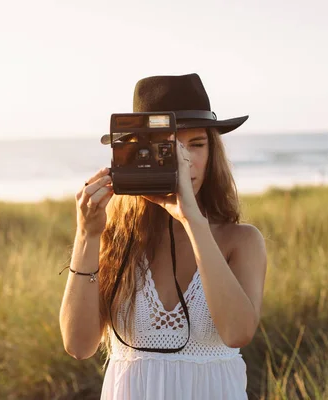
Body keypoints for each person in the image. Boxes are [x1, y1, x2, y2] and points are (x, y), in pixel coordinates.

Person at [59, 73, 267, 400]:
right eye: (166, 148)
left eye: (195, 145)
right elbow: (78, 345)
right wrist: (87, 235)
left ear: (213, 154)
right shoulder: (117, 241)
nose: (183, 160)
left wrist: (193, 221)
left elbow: (237, 333)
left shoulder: (241, 241)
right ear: (135, 153)